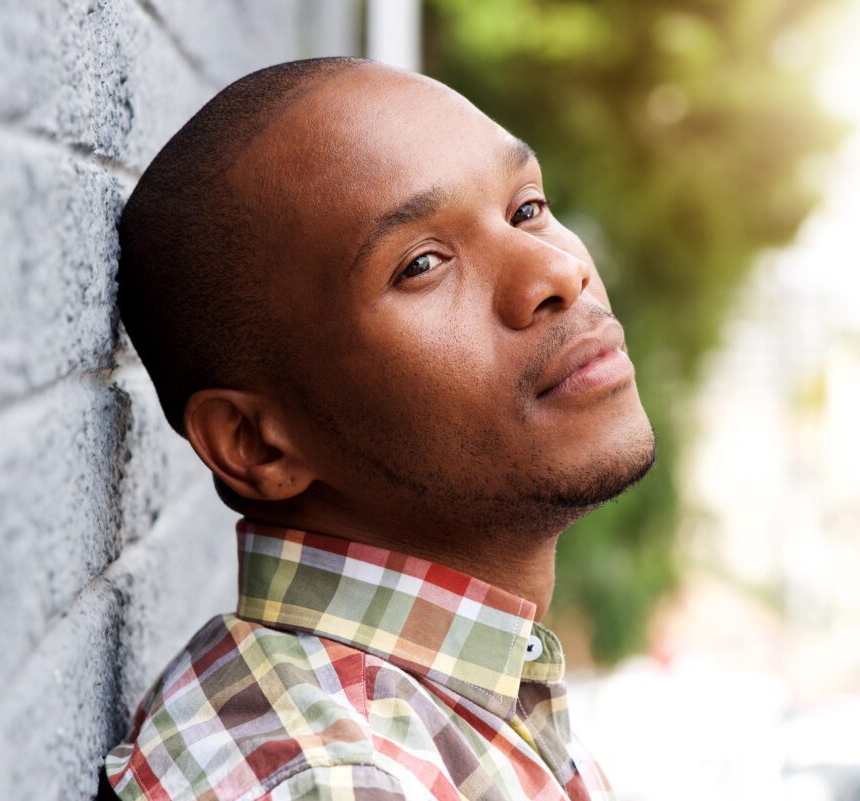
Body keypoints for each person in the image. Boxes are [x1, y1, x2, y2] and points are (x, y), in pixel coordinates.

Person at [102, 56, 655, 801]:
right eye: (422, 264)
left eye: (526, 208)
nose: (555, 273)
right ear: (256, 442)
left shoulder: (466, 707)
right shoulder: (333, 779)